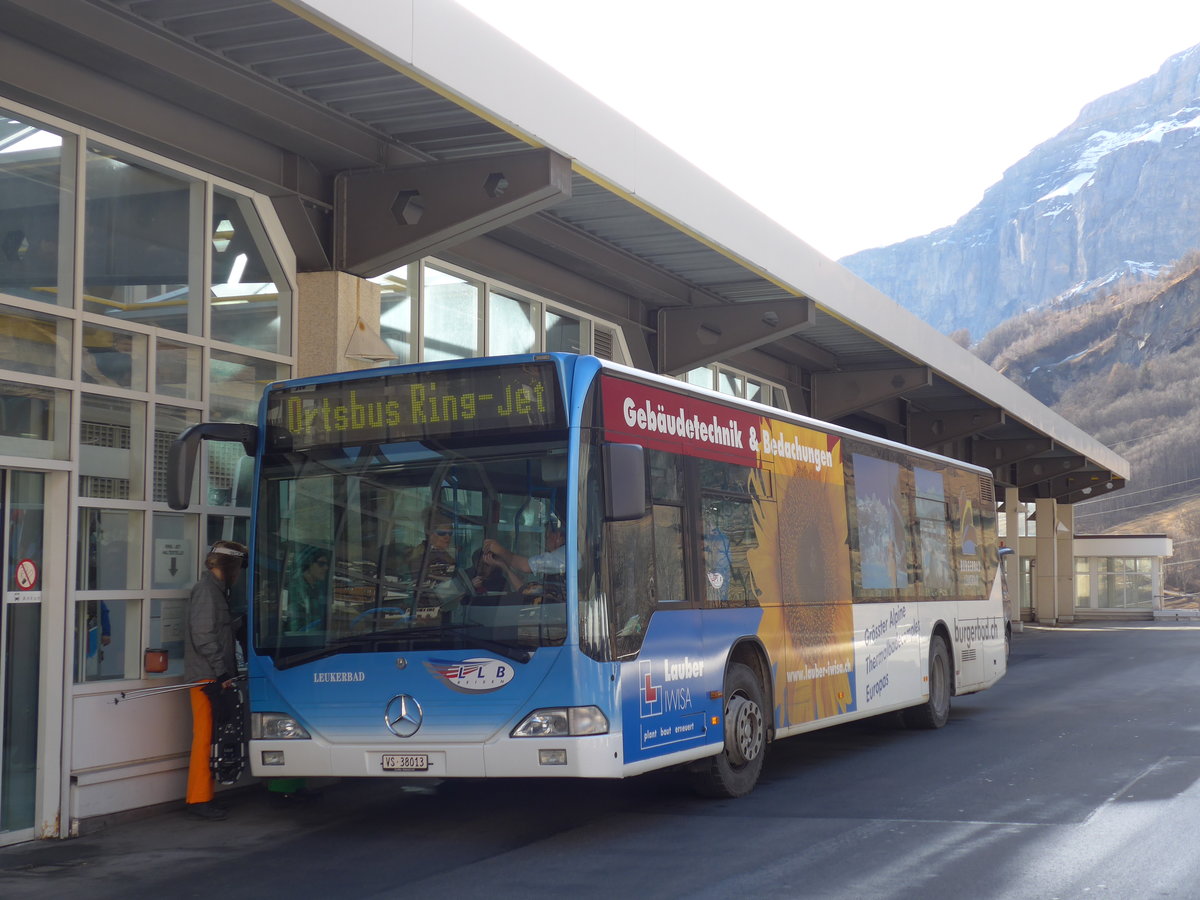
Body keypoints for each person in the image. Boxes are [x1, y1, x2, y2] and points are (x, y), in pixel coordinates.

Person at [183, 539, 247, 821]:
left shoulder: (217, 591)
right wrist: (222, 672)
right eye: (240, 567)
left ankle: (204, 796)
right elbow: (203, 637)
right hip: (207, 677)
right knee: (205, 738)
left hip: (214, 675)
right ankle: (198, 799)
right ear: (231, 566)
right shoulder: (206, 592)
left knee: (212, 738)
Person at [482, 516, 567, 588]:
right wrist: (504, 567)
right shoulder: (552, 571)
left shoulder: (565, 556)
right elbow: (526, 590)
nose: (546, 542)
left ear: (558, 536)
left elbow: (525, 566)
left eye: (547, 537)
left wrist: (499, 550)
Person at [407, 508, 465, 610]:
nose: (447, 537)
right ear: (430, 534)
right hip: (429, 611)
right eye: (442, 533)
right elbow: (425, 591)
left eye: (450, 533)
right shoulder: (421, 557)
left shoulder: (447, 555)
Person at [286, 546, 329, 631]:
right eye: (321, 564)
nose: (326, 568)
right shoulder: (296, 588)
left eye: (327, 564)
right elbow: (295, 626)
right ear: (309, 564)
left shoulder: (318, 587)